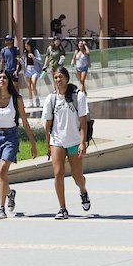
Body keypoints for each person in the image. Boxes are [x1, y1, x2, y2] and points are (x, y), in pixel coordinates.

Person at [0, 70, 37, 219]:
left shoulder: (16, 99)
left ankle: (1, 208)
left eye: (5, 77)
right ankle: (10, 193)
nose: (2, 80)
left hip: (11, 137)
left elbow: (25, 122)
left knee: (2, 171)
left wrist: (33, 144)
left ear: (9, 81)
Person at [42, 66, 90, 220]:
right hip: (57, 140)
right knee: (58, 173)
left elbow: (83, 122)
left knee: (77, 176)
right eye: (56, 77)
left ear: (67, 79)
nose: (58, 80)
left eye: (60, 77)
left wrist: (82, 143)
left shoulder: (78, 96)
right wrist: (48, 144)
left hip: (75, 140)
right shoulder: (51, 98)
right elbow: (48, 124)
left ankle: (83, 190)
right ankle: (62, 208)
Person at [24, 41, 44, 107]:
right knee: (29, 87)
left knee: (33, 86)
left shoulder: (35, 51)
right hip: (28, 70)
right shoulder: (25, 53)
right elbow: (24, 63)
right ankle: (30, 102)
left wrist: (34, 57)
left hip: (35, 70)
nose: (26, 47)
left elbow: (40, 61)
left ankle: (37, 98)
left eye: (27, 46)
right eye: (25, 46)